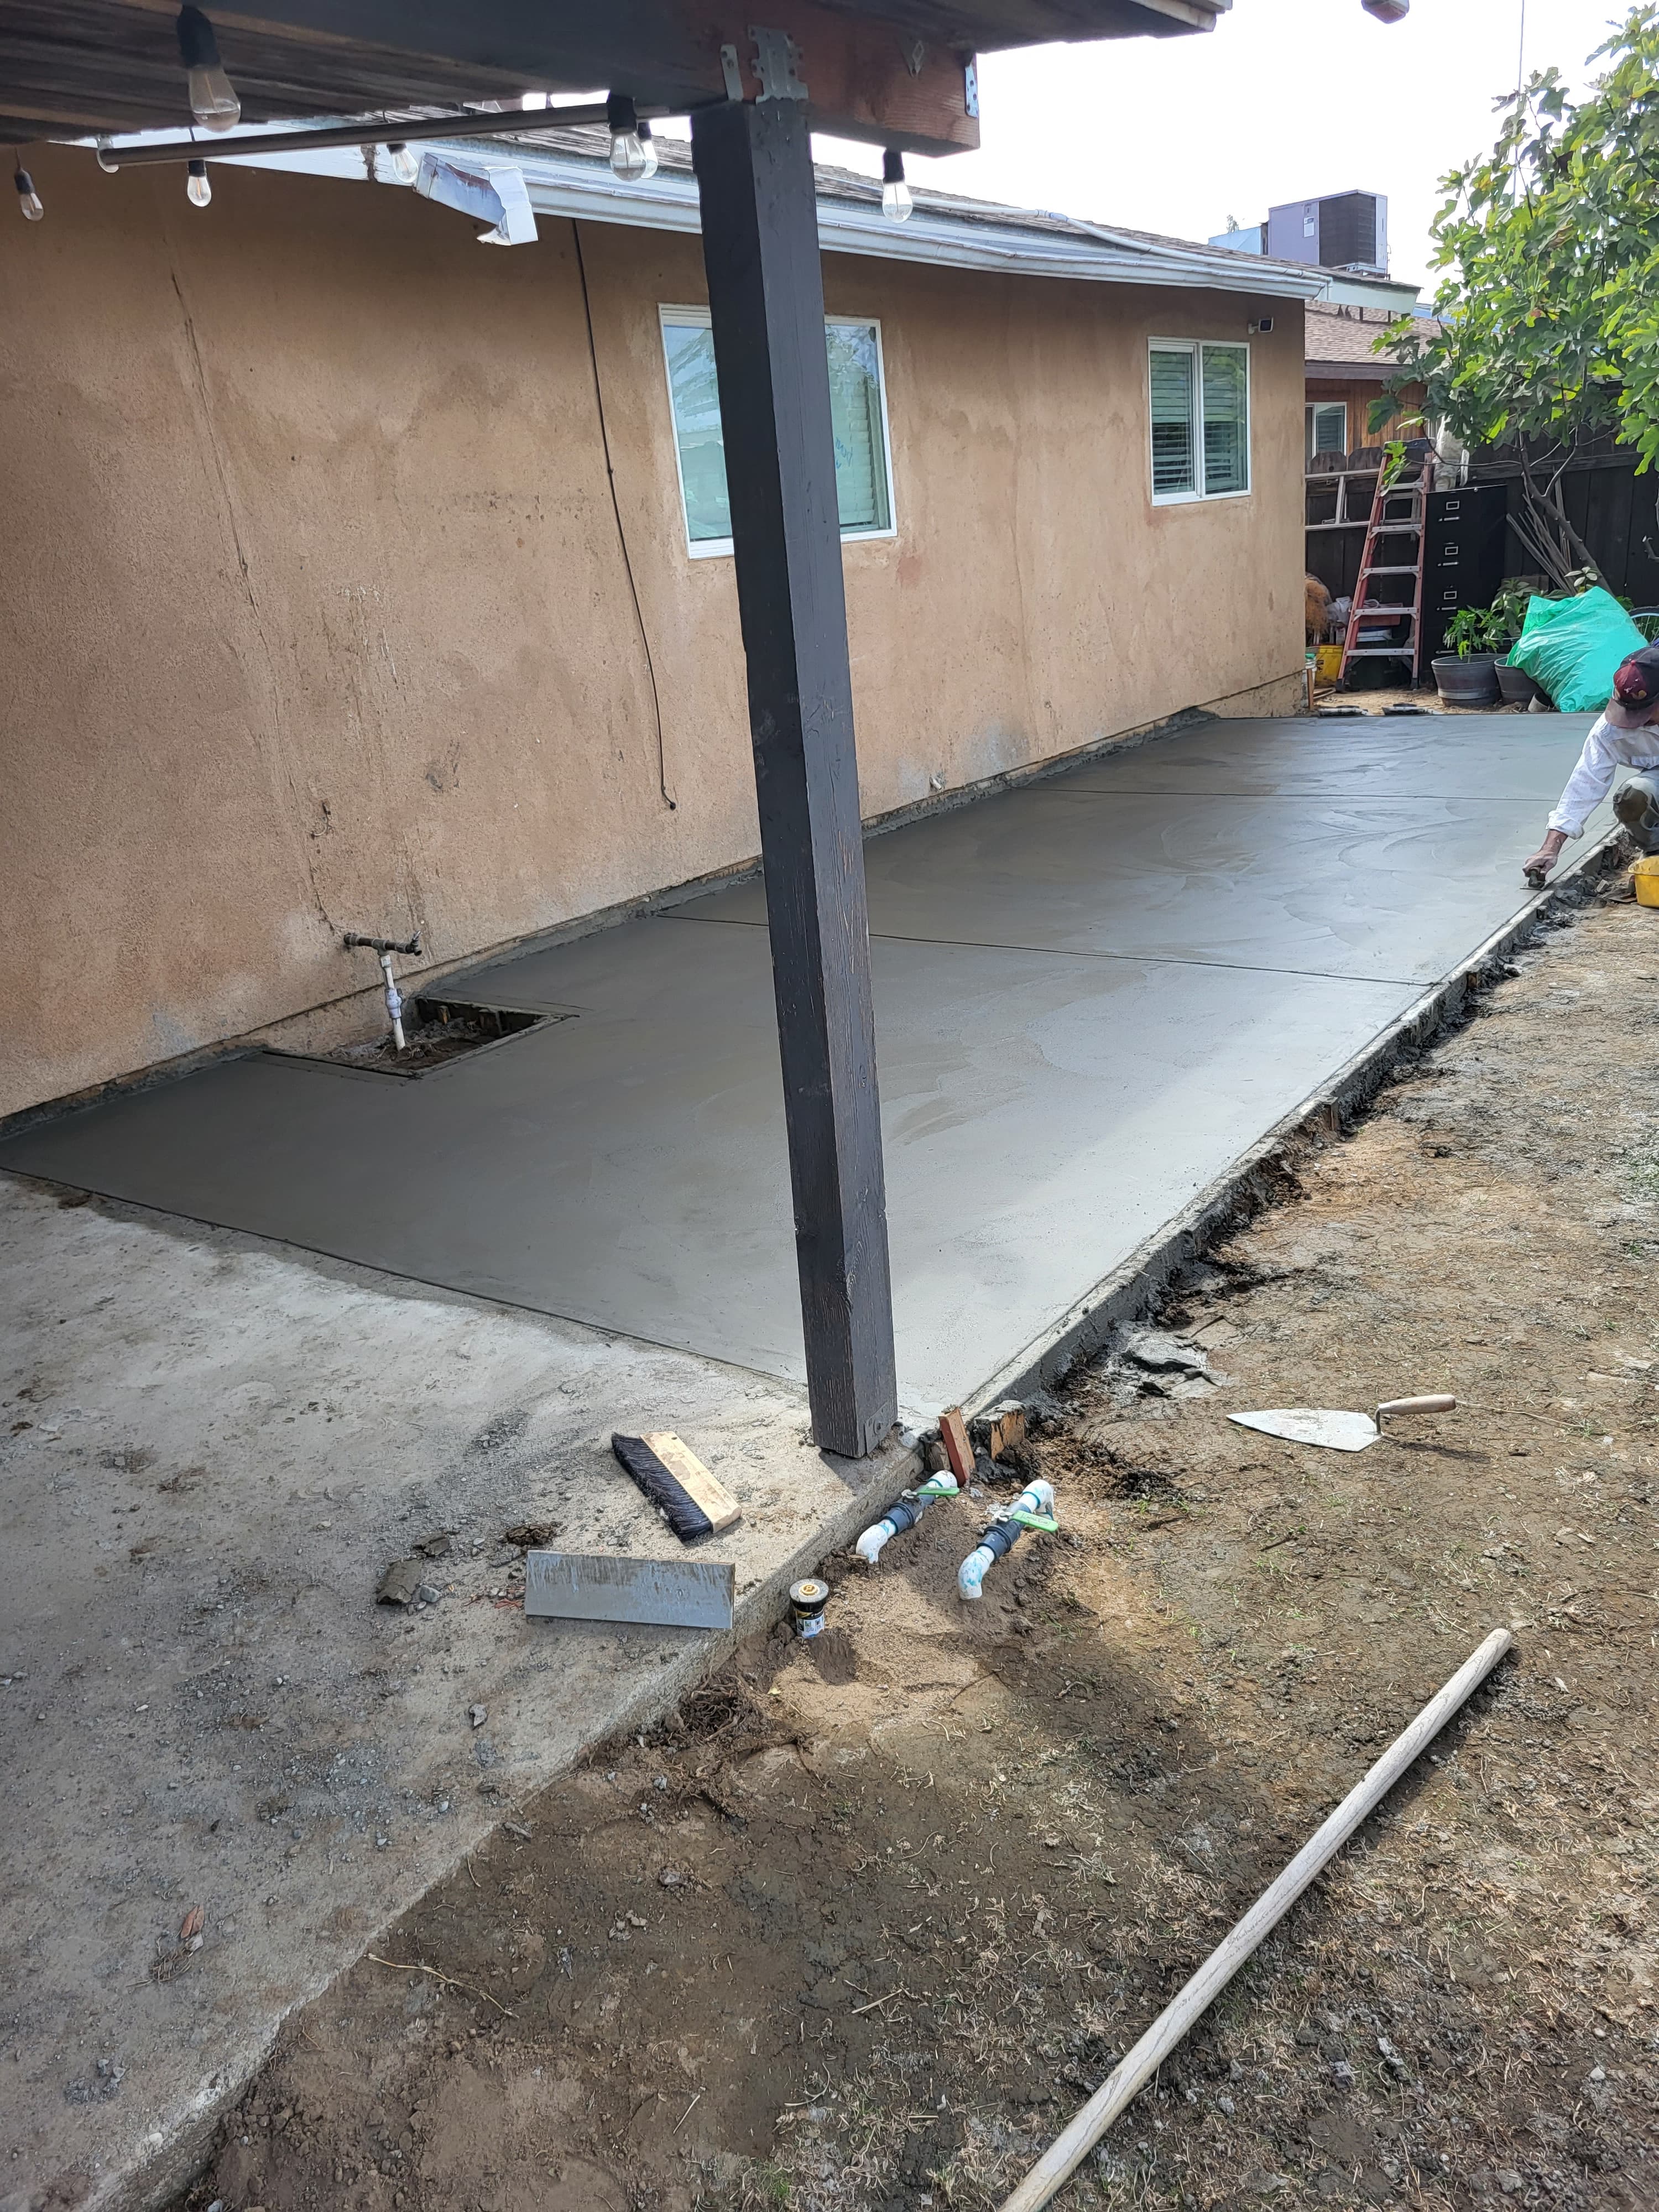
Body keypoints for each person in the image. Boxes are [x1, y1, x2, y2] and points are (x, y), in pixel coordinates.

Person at [1524, 643, 1659, 885]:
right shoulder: (1609, 732)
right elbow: (1585, 782)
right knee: (1636, 796)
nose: (1639, 723)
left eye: (1646, 713)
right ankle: (1656, 854)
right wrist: (1550, 848)